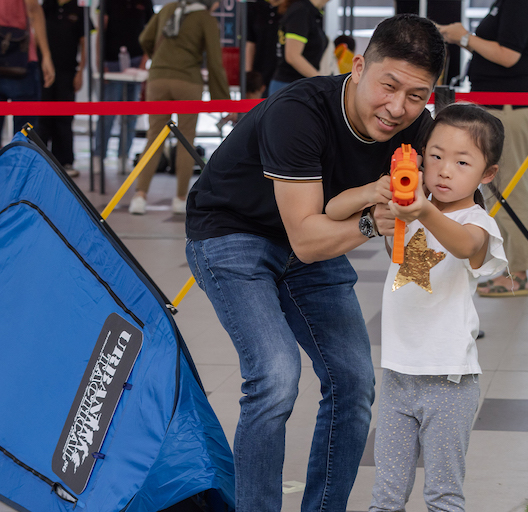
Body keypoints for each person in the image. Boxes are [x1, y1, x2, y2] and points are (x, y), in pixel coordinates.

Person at [184, 14, 445, 512]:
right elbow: (306, 239)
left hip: (313, 238)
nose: (397, 108)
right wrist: (373, 223)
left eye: (417, 96)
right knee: (277, 376)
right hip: (233, 232)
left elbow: (460, 195)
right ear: (360, 65)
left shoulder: (418, 129)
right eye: (388, 86)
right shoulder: (299, 111)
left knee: (354, 381)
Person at [325, 103, 506, 512]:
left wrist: (423, 210)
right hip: (397, 376)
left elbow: (465, 245)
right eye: (436, 156)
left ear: (487, 174)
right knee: (386, 495)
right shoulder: (407, 207)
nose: (444, 170)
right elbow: (333, 210)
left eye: (462, 162)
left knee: (443, 495)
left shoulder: (477, 222)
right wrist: (375, 192)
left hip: (449, 381)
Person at [439, 0, 528, 297]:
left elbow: (509, 55)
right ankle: (510, 270)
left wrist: (463, 37)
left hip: (511, 105)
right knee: (500, 188)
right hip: (501, 104)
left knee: (510, 188)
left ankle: (517, 274)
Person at [130, 0, 230, 215]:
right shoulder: (206, 18)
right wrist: (223, 100)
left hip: (157, 79)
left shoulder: (167, 9)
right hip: (188, 81)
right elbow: (214, 60)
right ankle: (180, 198)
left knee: (154, 137)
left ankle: (140, 196)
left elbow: (144, 38)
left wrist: (159, 58)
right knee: (186, 139)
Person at [0, 0, 56, 183]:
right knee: (25, 138)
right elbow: (33, 9)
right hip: (20, 60)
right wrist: (46, 55)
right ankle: (20, 196)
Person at [94, 0, 153, 175]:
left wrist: (144, 61)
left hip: (135, 62)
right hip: (111, 62)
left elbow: (151, 32)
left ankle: (124, 156)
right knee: (107, 114)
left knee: (130, 116)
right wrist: (100, 61)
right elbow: (100, 31)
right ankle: (99, 155)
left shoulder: (145, 3)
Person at [38, 0, 88, 178]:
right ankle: (39, 159)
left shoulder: (78, 10)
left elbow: (84, 43)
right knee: (41, 117)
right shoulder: (45, 7)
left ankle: (64, 161)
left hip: (67, 72)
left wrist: (81, 71)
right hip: (43, 71)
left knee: (64, 118)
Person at [267, 0, 329, 95]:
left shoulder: (312, 12)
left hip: (299, 85)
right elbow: (292, 56)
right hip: (289, 87)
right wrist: (322, 81)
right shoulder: (301, 11)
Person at [245, 0, 284, 96]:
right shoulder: (255, 8)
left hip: (283, 73)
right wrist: (249, 75)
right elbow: (250, 43)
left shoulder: (293, 8)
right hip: (260, 72)